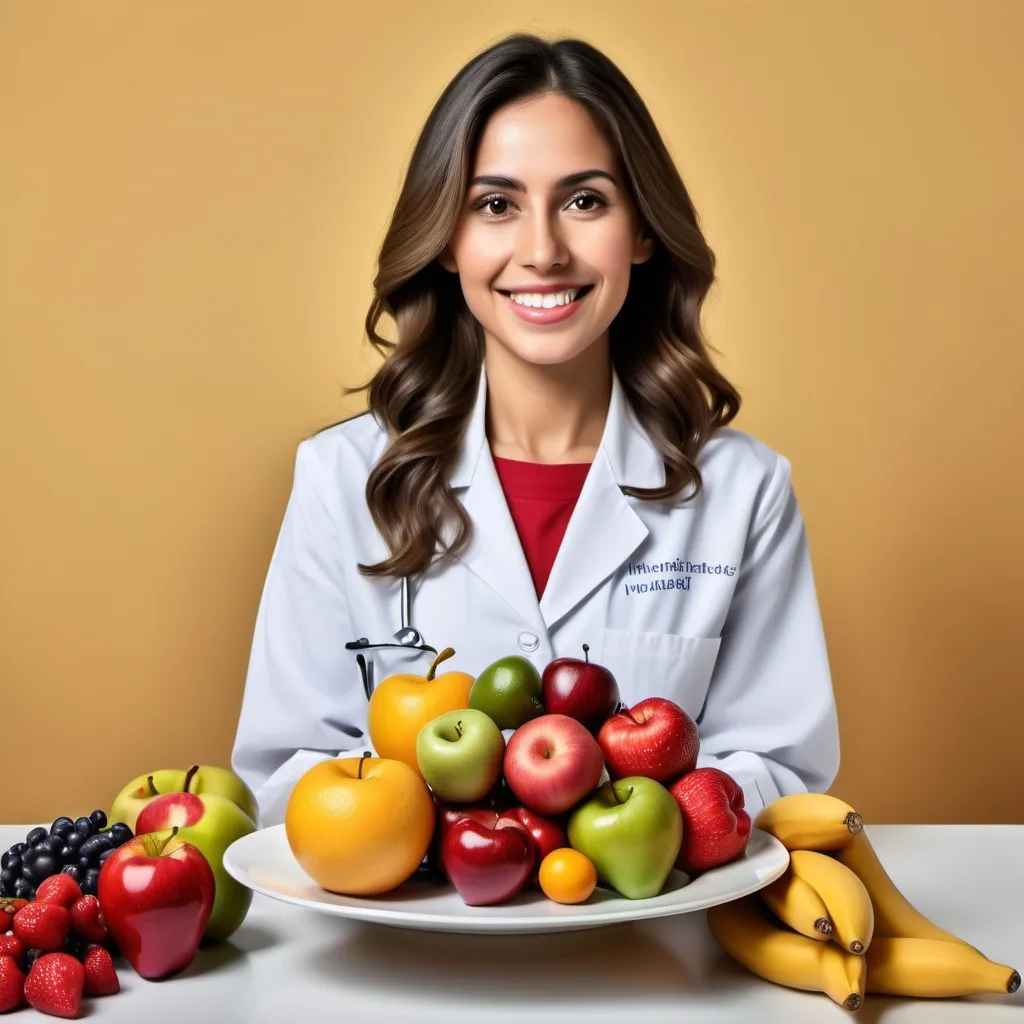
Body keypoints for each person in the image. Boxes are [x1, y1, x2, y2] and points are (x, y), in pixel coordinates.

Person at [231, 33, 840, 828]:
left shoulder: (742, 491)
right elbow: (286, 776)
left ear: (644, 231)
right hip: (406, 949)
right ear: (447, 241)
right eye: (496, 205)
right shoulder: (340, 478)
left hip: (649, 944)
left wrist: (593, 836)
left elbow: (779, 768)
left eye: (585, 201)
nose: (544, 250)